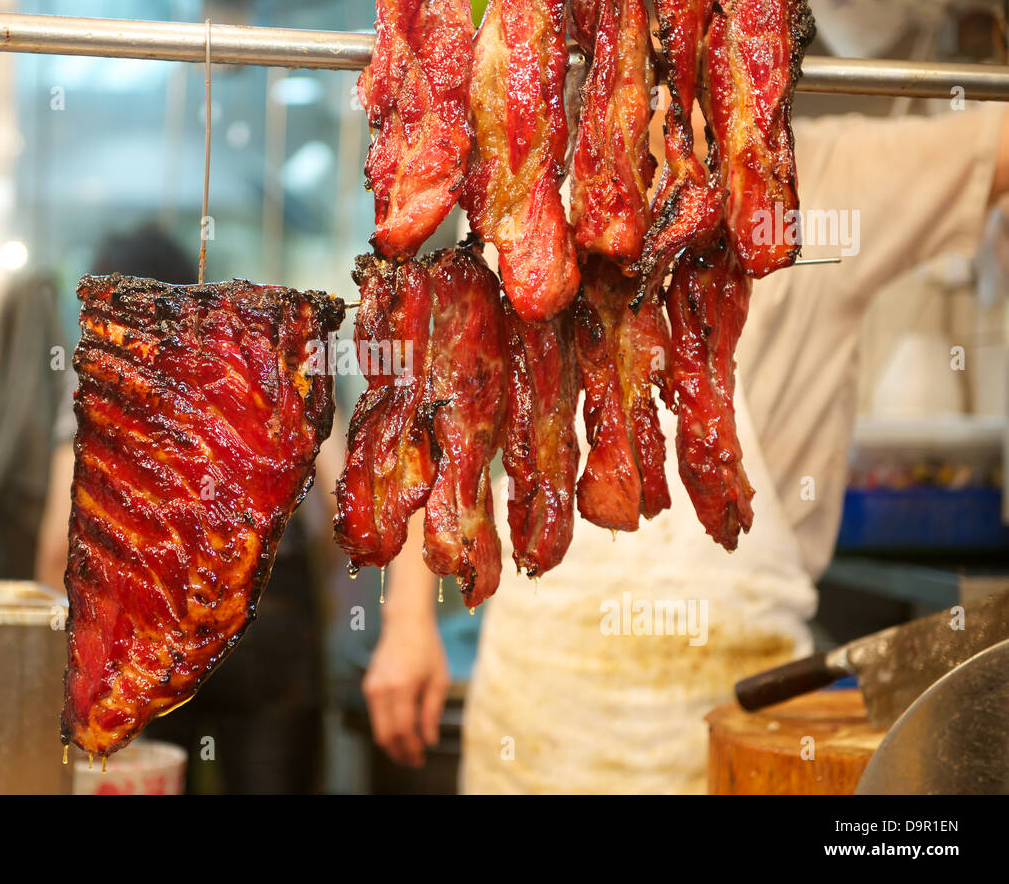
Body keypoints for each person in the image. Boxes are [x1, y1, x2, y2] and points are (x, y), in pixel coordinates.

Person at [362, 101, 1009, 792]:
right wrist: (406, 622)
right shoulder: (531, 184)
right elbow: (434, 419)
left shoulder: (824, 184)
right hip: (540, 711)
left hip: (747, 721)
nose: (673, 102)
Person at [35, 221, 328, 794]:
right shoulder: (259, 367)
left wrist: (77, 663)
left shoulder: (115, 375)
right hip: (270, 626)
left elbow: (54, 549)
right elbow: (328, 487)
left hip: (148, 639)